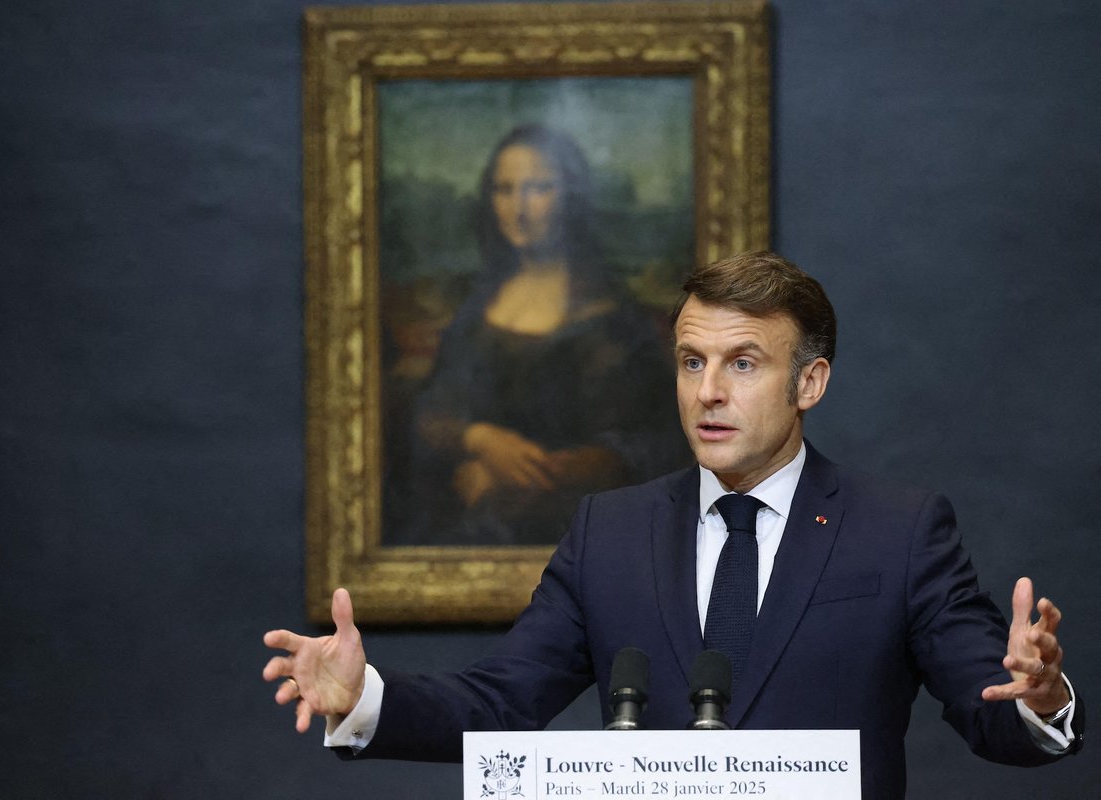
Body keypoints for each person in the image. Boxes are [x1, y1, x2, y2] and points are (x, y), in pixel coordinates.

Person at [264, 252, 1084, 799]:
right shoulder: (608, 533)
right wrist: (362, 697)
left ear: (811, 383)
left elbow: (995, 714)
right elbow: (500, 702)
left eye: (744, 363)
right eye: (692, 361)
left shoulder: (899, 531)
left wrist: (1040, 697)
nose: (709, 392)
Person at [389, 124, 685, 546]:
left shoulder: (610, 319)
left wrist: (523, 477)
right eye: (504, 190)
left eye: (538, 188)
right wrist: (480, 440)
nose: (518, 209)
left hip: (575, 531)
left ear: (572, 198)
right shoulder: (478, 308)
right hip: (465, 532)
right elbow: (431, 414)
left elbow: (649, 446)